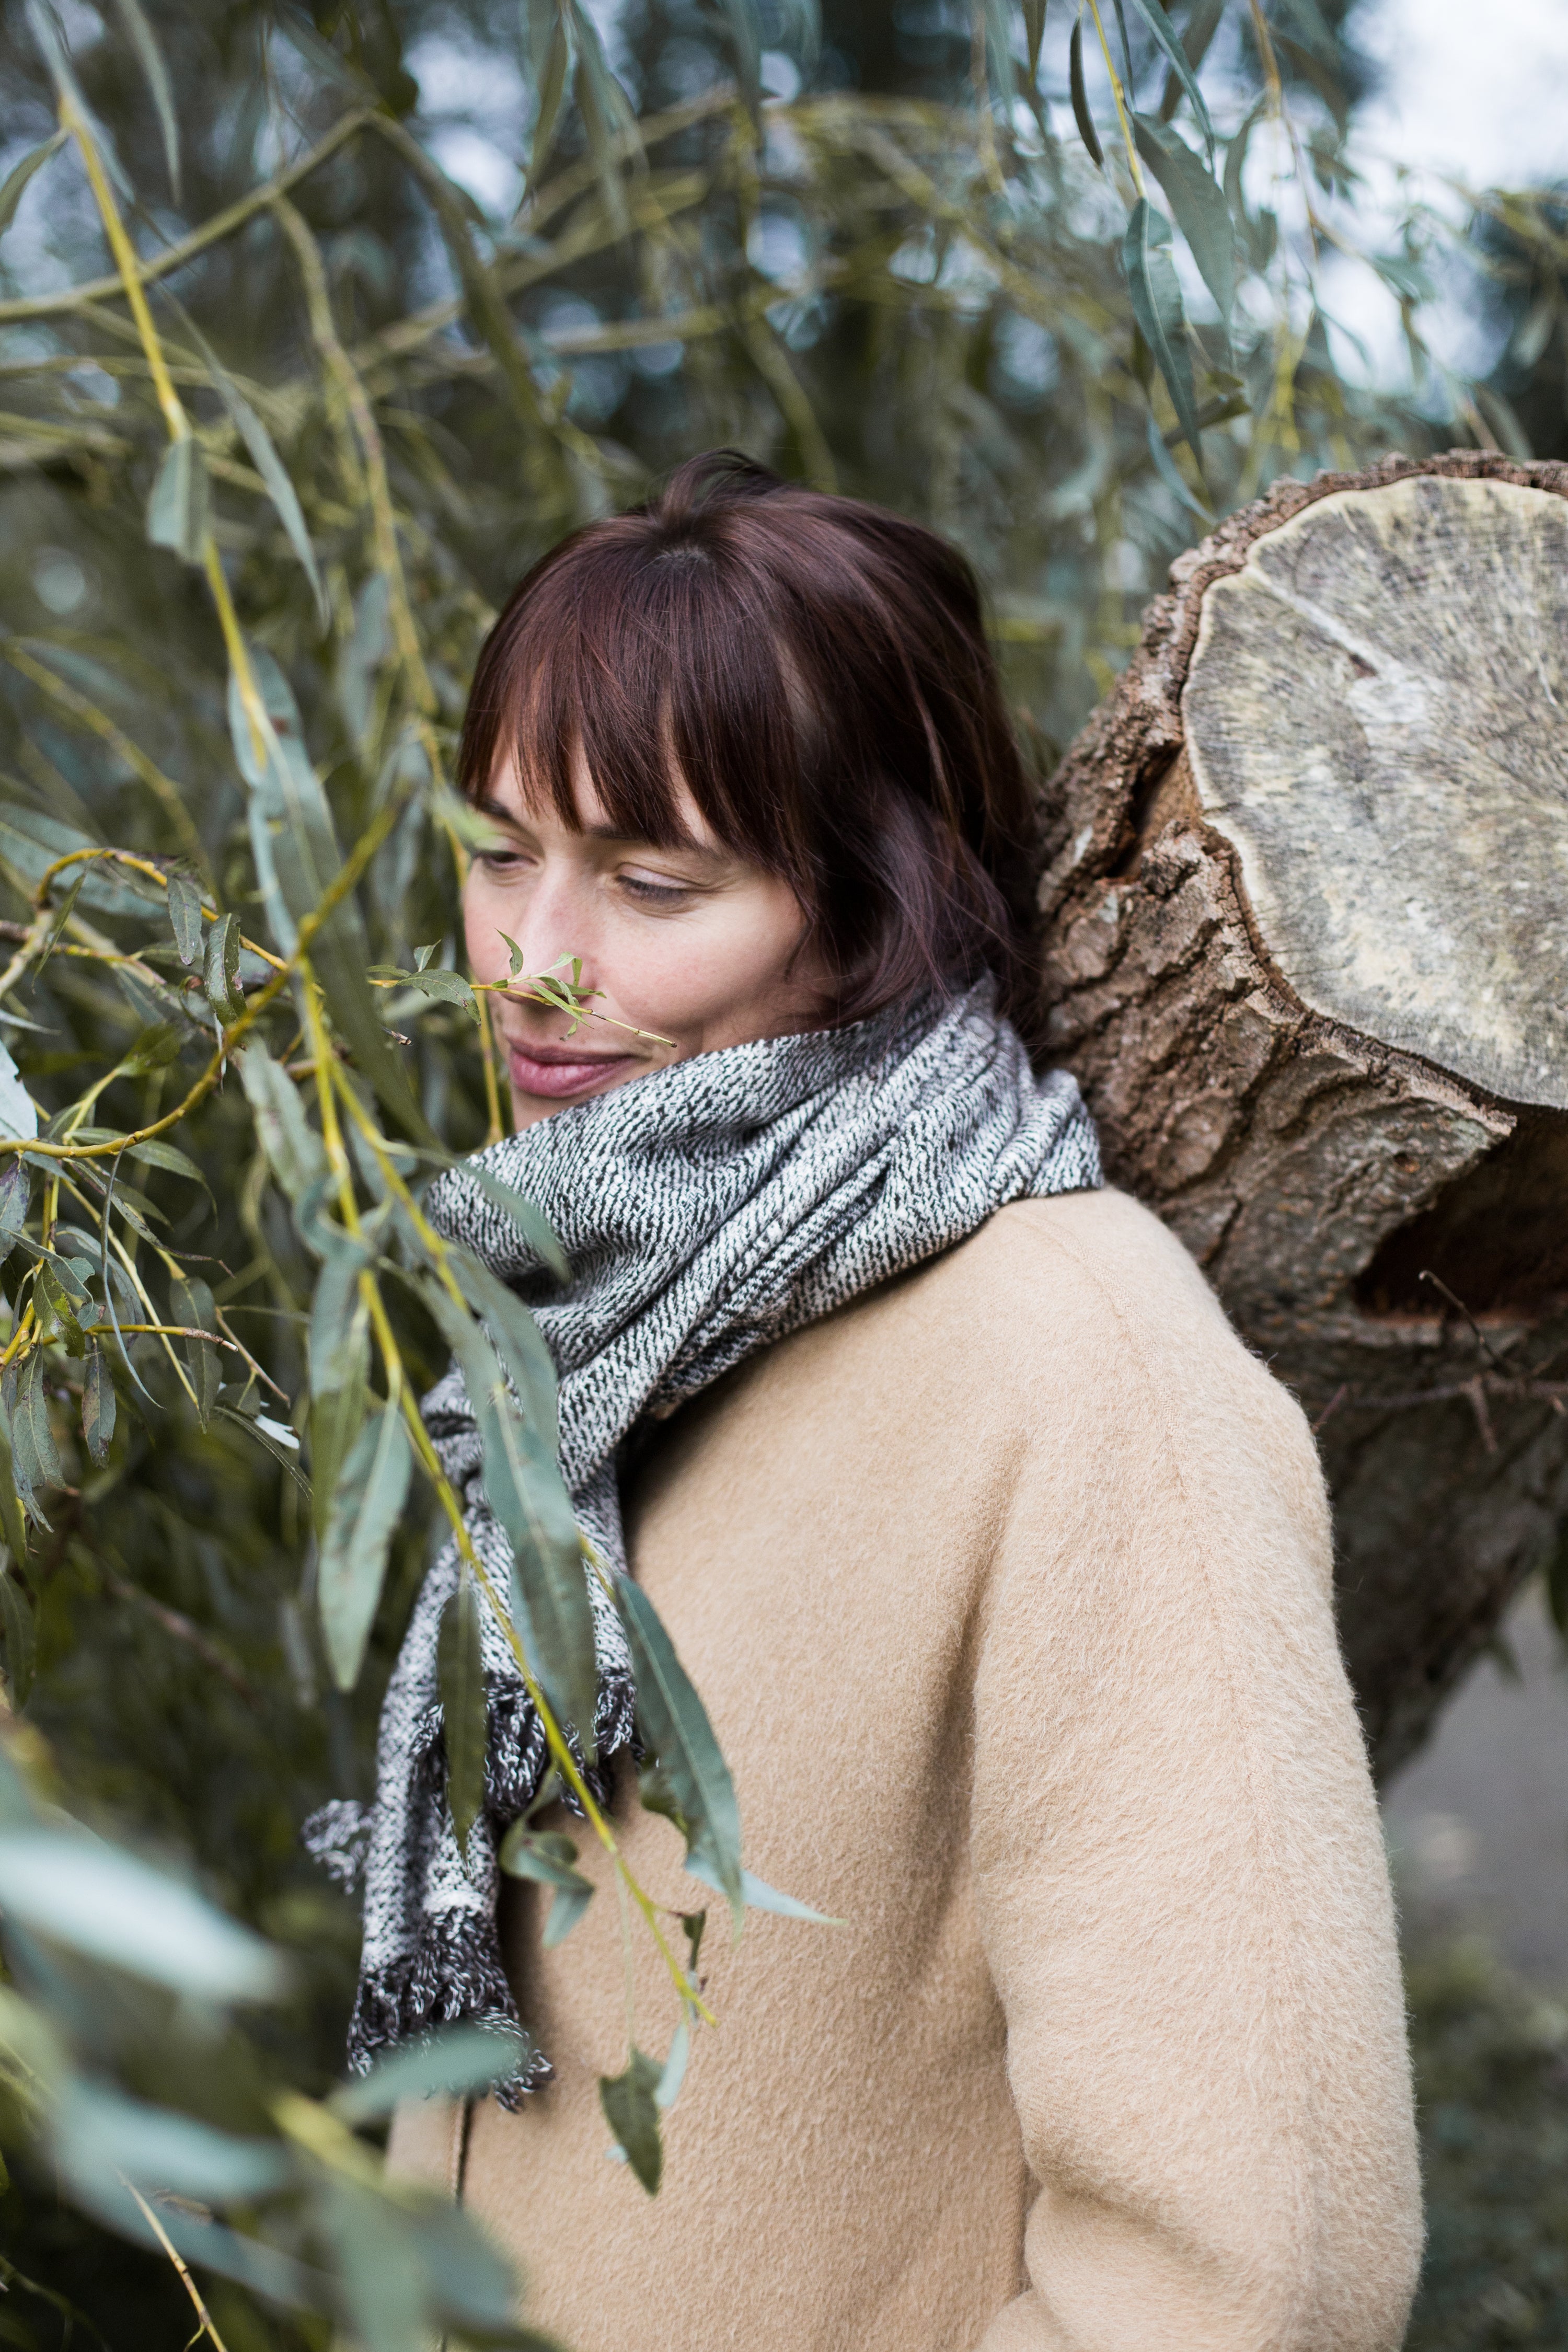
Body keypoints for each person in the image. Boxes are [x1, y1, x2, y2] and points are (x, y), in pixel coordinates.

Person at [381, 451, 1421, 2350]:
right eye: (500, 845)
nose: (533, 959)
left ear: (876, 901)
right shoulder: (592, 1342)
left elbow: (1261, 2275)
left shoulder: (1080, 1371)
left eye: (651, 881)